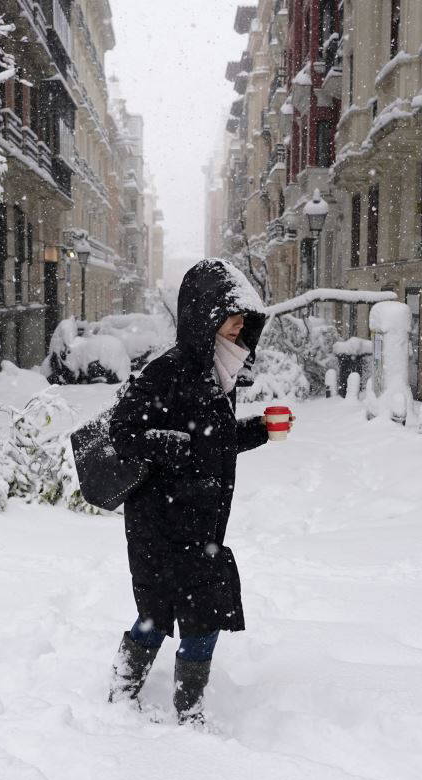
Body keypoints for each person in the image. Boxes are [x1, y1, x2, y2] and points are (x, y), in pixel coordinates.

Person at [106, 258, 289, 724]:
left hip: (200, 522)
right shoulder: (164, 372)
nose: (240, 324)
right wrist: (175, 446)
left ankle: (189, 713)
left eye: (243, 318)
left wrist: (260, 430)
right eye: (232, 315)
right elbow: (122, 433)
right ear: (205, 314)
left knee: (204, 616)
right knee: (156, 617)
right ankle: (121, 698)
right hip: (159, 523)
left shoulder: (217, 372)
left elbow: (213, 442)